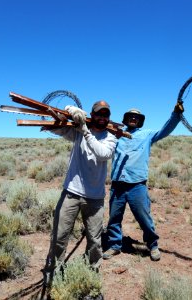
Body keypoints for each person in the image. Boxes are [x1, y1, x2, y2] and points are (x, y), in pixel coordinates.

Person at [43, 100, 117, 278]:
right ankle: (54, 270)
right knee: (60, 235)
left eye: (105, 115)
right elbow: (55, 128)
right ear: (92, 114)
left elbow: (103, 154)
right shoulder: (77, 131)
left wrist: (84, 130)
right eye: (98, 114)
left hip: (95, 197)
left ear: (108, 118)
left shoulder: (111, 138)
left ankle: (93, 271)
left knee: (94, 240)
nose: (102, 117)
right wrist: (70, 111)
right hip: (72, 192)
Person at [103, 100, 184, 261]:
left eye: (136, 117)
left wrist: (176, 114)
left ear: (140, 121)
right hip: (117, 185)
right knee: (114, 217)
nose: (133, 118)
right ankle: (114, 245)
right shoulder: (115, 134)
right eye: (130, 116)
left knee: (144, 217)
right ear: (125, 119)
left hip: (137, 186)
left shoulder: (147, 135)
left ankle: (153, 245)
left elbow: (165, 129)